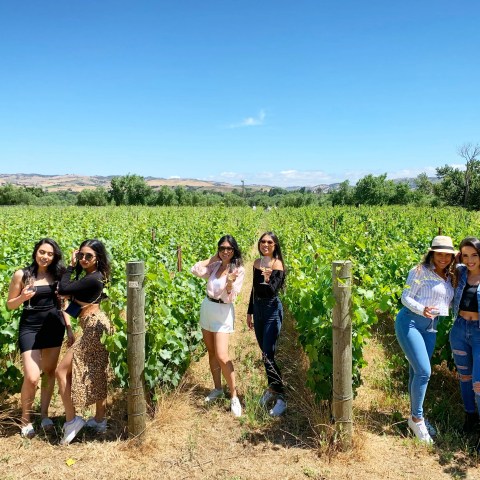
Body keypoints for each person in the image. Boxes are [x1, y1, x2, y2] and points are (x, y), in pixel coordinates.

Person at [7, 238, 72, 438]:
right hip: (30, 328)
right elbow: (10, 305)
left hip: (54, 327)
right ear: (36, 252)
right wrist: (22, 298)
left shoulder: (58, 275)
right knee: (32, 376)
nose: (45, 256)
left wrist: (69, 328)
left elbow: (63, 304)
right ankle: (25, 419)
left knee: (50, 371)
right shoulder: (22, 275)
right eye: (42, 252)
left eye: (50, 254)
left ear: (54, 257)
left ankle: (44, 415)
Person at [395, 235, 455, 443]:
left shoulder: (450, 276)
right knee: (424, 371)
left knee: (416, 372)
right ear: (432, 253)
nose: (443, 258)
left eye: (448, 255)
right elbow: (405, 297)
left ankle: (414, 417)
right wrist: (422, 309)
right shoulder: (419, 271)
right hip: (410, 322)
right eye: (440, 253)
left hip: (431, 327)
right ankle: (417, 418)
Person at [56, 239, 111, 445]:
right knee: (96, 371)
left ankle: (72, 421)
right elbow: (79, 305)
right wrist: (69, 324)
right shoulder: (94, 277)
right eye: (81, 256)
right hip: (93, 325)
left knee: (61, 371)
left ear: (98, 258)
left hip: (93, 327)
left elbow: (63, 288)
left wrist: (70, 266)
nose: (84, 259)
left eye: (89, 256)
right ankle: (99, 420)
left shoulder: (93, 278)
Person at [191, 235, 245, 417]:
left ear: (234, 250)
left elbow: (231, 297)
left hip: (223, 313)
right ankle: (217, 388)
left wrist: (229, 282)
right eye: (222, 248)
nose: (225, 251)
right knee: (212, 352)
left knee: (222, 355)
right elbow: (195, 270)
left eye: (229, 249)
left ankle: (234, 396)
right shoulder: (215, 266)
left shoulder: (238, 270)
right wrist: (213, 258)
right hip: (208, 308)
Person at [247, 232, 286, 417]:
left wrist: (270, 277)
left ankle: (281, 397)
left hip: (271, 310)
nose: (265, 244)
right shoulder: (256, 263)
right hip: (258, 308)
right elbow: (254, 289)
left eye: (269, 242)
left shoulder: (277, 265)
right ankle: (272, 388)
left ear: (275, 245)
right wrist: (250, 312)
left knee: (268, 353)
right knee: (264, 353)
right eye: (263, 241)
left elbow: (272, 291)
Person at [449, 237, 480, 435]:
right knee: (465, 378)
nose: (470, 260)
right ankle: (470, 419)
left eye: (475, 255)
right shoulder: (459, 273)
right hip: (459, 330)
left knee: (479, 383)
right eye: (465, 255)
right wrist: (456, 257)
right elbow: (439, 264)